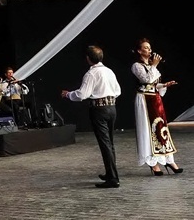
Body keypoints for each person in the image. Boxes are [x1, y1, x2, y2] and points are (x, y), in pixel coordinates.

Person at [61, 45, 121, 188]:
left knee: (105, 143)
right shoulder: (109, 71)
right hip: (111, 107)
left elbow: (82, 94)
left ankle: (113, 178)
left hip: (99, 110)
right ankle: (110, 173)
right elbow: (118, 91)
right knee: (110, 142)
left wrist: (68, 94)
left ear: (88, 58)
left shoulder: (91, 74)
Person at [131, 38, 182, 175]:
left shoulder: (151, 66)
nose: (149, 50)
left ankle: (169, 160)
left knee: (161, 128)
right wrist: (154, 66)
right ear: (139, 51)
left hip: (155, 99)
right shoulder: (137, 66)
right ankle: (153, 163)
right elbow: (146, 80)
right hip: (144, 99)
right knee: (148, 129)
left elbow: (153, 84)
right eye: (146, 48)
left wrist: (164, 85)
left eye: (149, 47)